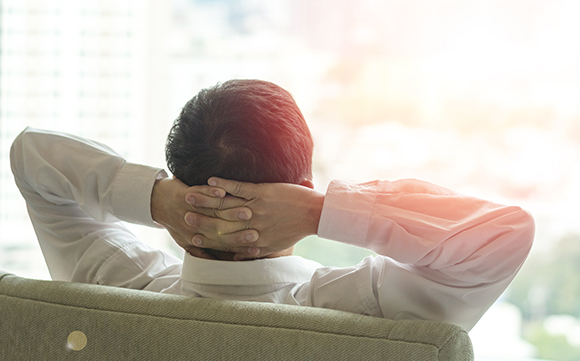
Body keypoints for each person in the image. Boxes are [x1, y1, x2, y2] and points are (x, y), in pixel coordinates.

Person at [10, 79, 534, 331]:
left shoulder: (116, 291)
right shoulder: (368, 313)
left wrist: (154, 198)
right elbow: (503, 234)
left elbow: (31, 156)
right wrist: (317, 212)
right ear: (301, 185)